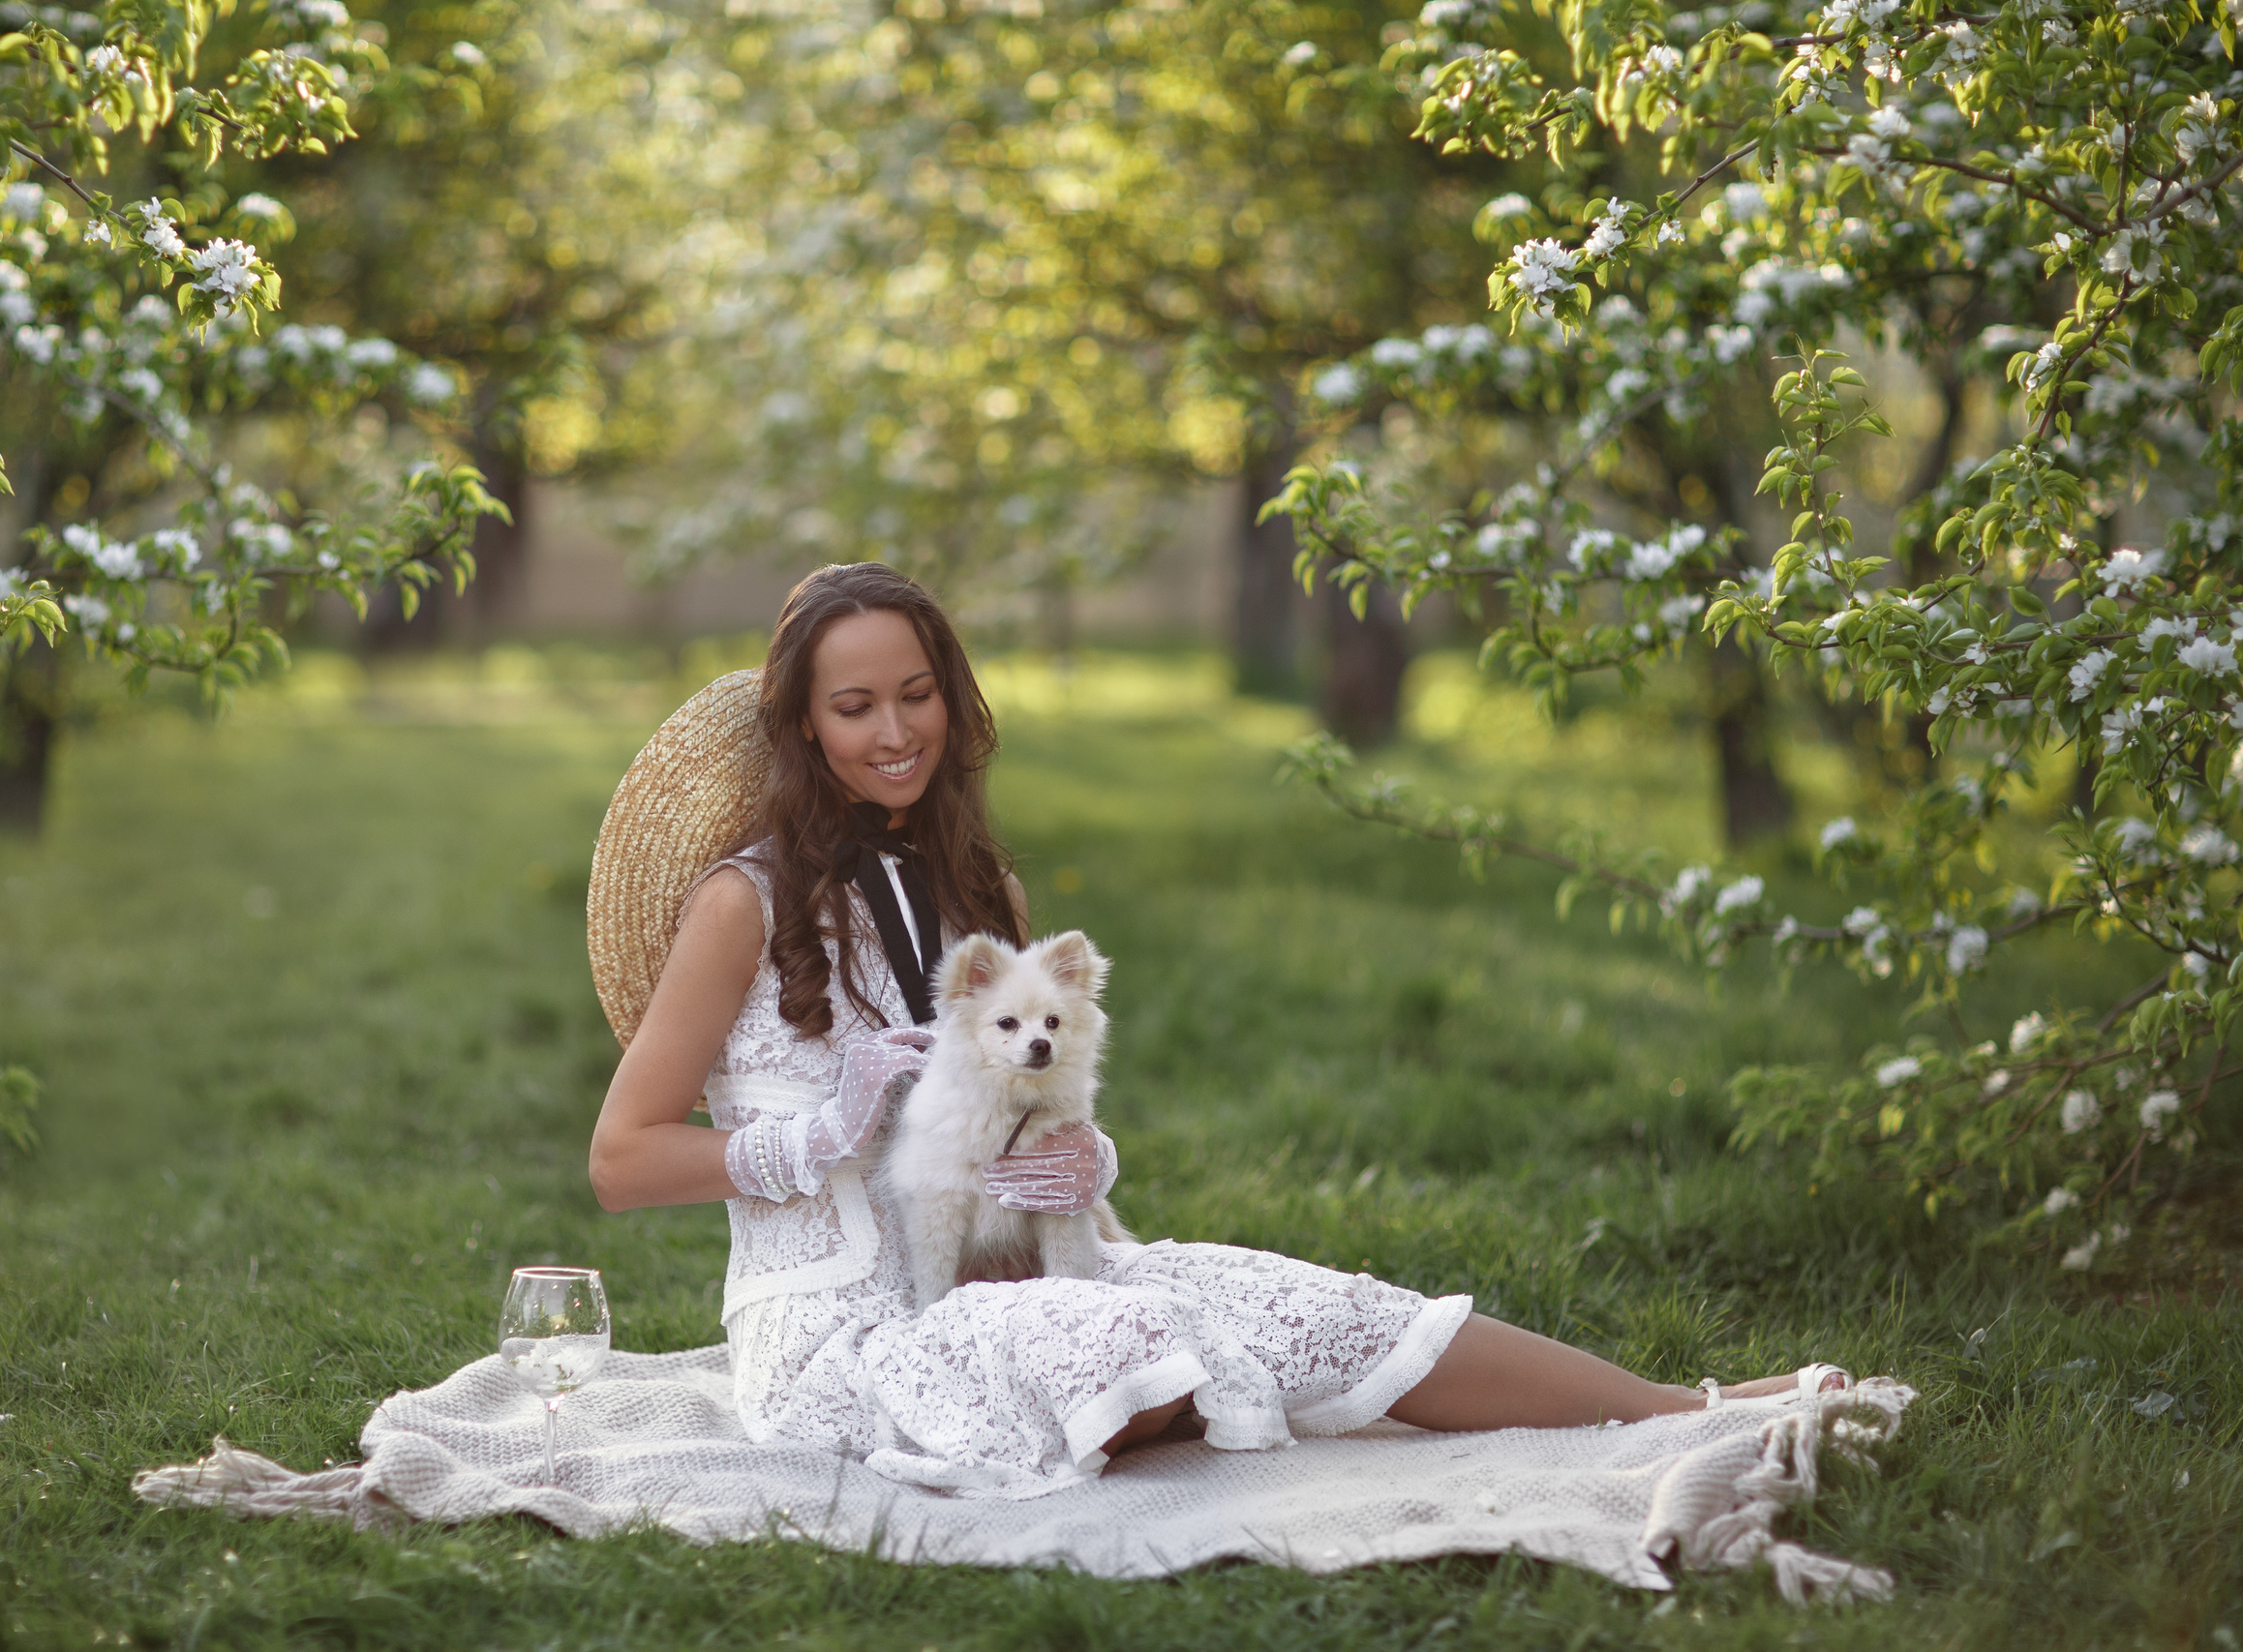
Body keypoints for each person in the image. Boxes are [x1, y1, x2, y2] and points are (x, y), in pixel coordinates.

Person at [587, 562, 1840, 1496]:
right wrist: (821, 1135)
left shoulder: (987, 899)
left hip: (1022, 1270)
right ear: (806, 722)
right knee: (1147, 1333)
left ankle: (1690, 1407)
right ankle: (1125, 1393)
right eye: (856, 706)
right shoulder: (739, 903)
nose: (896, 730)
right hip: (836, 1336)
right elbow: (621, 1160)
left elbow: (1037, 1105)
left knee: (1300, 1297)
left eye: (917, 694)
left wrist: (1079, 1164)